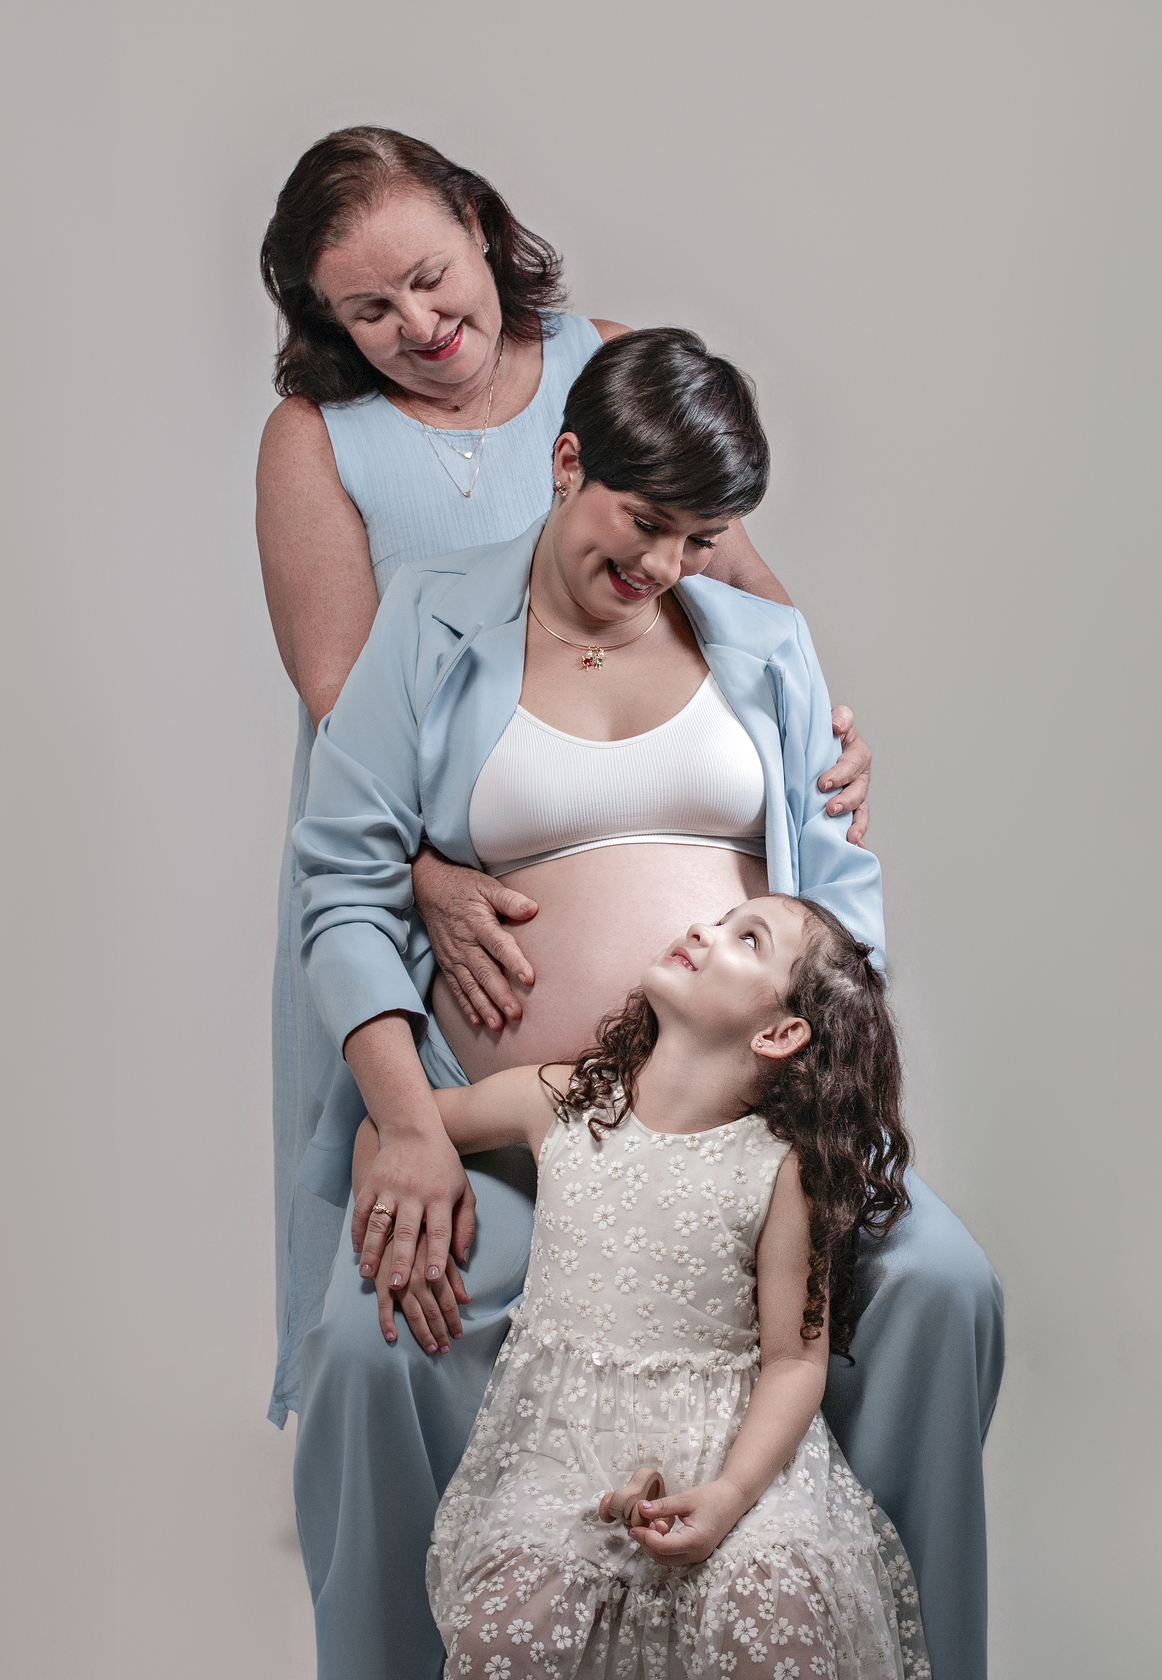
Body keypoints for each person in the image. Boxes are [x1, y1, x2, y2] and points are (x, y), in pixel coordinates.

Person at [291, 328, 1001, 1680]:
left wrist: (814, 1118)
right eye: (645, 524)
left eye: (700, 539)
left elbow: (842, 910)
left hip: (748, 1137)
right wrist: (412, 1125)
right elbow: (341, 890)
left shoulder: (765, 645)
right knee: (369, 1349)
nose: (667, 565)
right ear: (568, 464)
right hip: (515, 1134)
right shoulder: (431, 620)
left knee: (943, 1286)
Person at [257, 124, 874, 1434]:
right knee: (396, 1280)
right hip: (432, 859)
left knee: (890, 1284)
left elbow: (740, 590)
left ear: (479, 226)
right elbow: (343, 702)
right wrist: (423, 878)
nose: (418, 323)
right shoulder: (319, 438)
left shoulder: (604, 365)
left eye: (429, 276)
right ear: (325, 321)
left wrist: (818, 735)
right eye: (368, 310)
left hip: (708, 1051)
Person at [351, 893, 933, 1680]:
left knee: (775, 1619)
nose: (702, 929)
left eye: (747, 939)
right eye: (720, 920)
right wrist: (390, 1222)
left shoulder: (782, 1169)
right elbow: (396, 1126)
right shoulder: (559, 1100)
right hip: (565, 1454)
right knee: (503, 1641)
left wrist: (730, 1494)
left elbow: (796, 1361)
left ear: (779, 1033)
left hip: (729, 1453)